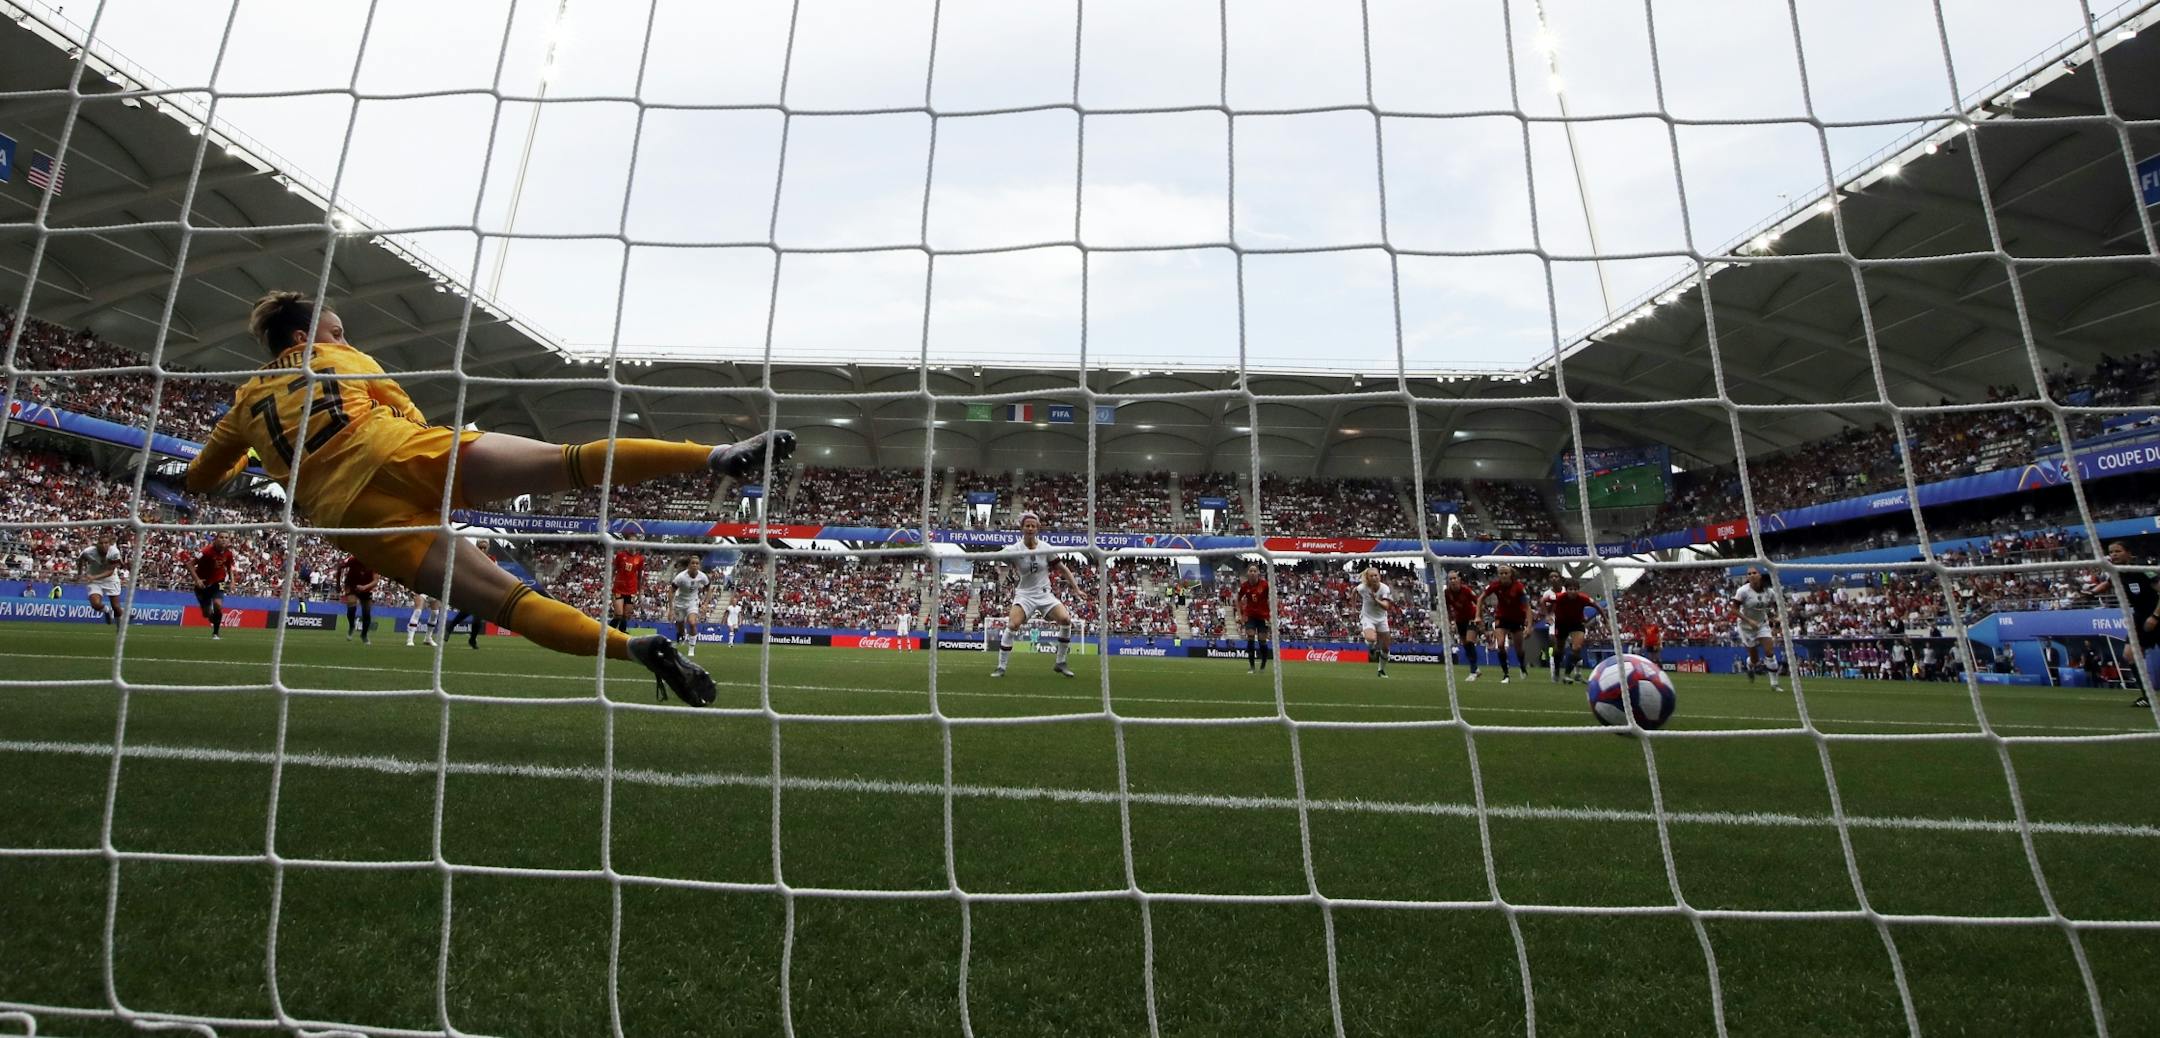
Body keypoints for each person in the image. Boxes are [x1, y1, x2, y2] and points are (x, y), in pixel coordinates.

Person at [184, 291, 793, 706]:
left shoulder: (243, 404)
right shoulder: (338, 357)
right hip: (401, 453)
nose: (344, 336)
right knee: (568, 461)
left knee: (514, 604)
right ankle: (713, 456)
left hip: (352, 517)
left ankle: (631, 648)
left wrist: (249, 453)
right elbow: (403, 407)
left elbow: (201, 481)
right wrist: (432, 454)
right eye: (336, 329)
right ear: (305, 336)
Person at [988, 512, 1085, 679]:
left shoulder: (1045, 548)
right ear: (1022, 528)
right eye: (1027, 525)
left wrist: (1076, 588)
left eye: (1033, 526)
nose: (1030, 528)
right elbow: (993, 557)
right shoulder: (1014, 549)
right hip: (1025, 595)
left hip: (1044, 593)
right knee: (1013, 625)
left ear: (1038, 528)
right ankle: (1001, 667)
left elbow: (1063, 569)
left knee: (1065, 620)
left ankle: (1060, 662)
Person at [2107, 541, 2156, 708]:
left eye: (2118, 551)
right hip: (2140, 616)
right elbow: (2107, 584)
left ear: (2128, 553)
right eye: (2111, 552)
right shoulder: (2116, 571)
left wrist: (2155, 617)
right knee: (2130, 655)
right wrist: (2089, 592)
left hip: (2156, 614)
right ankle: (2148, 697)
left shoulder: (2142, 568)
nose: (2114, 555)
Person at [1479, 565, 1532, 683]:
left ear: (1510, 574)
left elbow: (1527, 607)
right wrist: (1478, 615)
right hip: (1501, 618)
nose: (1503, 575)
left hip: (1517, 618)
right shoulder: (1495, 585)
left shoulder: (1518, 587)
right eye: (1501, 573)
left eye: (1506, 573)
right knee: (1500, 644)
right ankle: (1506, 674)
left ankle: (1522, 666)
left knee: (1519, 649)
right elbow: (1480, 598)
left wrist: (1529, 626)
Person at [1733, 567, 1781, 691]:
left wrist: (1776, 617)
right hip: (1746, 627)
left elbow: (1776, 605)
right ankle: (1750, 665)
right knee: (1755, 659)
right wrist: (1749, 621)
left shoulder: (1769, 592)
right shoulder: (1742, 591)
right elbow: (1734, 609)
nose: (1752, 575)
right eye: (1749, 574)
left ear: (1759, 575)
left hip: (1761, 624)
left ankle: (1774, 684)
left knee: (1769, 652)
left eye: (1754, 573)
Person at [1550, 579, 1598, 684]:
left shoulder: (1583, 598)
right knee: (1559, 649)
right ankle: (1557, 670)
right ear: (1566, 590)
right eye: (1570, 589)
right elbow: (1543, 601)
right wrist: (1547, 615)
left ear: (1578, 590)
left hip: (1577, 624)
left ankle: (1568, 674)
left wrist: (1606, 620)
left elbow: (1597, 606)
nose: (1573, 591)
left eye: (1575, 589)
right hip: (1562, 624)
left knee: (1577, 648)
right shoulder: (1559, 597)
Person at [193, 533, 236, 640]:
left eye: (226, 538)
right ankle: (214, 618)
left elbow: (229, 568)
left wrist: (232, 581)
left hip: (219, 582)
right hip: (203, 584)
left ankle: (216, 633)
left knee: (218, 605)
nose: (224, 540)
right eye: (221, 537)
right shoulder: (206, 551)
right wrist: (197, 580)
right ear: (216, 539)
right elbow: (190, 564)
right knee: (206, 614)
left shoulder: (228, 554)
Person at [1356, 566, 1397, 678]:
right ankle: (1371, 646)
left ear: (1379, 576)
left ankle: (1381, 670)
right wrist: (1353, 608)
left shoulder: (1385, 589)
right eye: (1372, 576)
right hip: (1368, 617)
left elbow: (1386, 606)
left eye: (1376, 575)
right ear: (1368, 578)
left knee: (1386, 648)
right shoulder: (1362, 587)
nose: (1374, 578)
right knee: (1371, 639)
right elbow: (1354, 591)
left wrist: (1376, 599)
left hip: (1381, 619)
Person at [77, 532, 124, 626]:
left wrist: (93, 577)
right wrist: (79, 574)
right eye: (101, 543)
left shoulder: (114, 552)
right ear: (97, 544)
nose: (103, 545)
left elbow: (110, 571)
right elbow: (80, 560)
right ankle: (107, 610)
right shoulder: (88, 552)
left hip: (110, 578)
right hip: (94, 578)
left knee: (116, 607)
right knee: (95, 604)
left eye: (106, 543)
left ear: (109, 544)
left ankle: (120, 626)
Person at [1234, 562, 1273, 673]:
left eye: (1254, 571)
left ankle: (1263, 666)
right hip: (1250, 615)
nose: (1252, 573)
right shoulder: (1245, 586)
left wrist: (1272, 614)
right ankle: (1251, 667)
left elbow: (1271, 598)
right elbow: (1238, 599)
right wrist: (1240, 614)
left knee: (1262, 641)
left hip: (1263, 616)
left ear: (1258, 573)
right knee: (1250, 637)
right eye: (1250, 571)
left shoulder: (1264, 585)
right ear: (1247, 573)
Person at [1442, 570, 1480, 681]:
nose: (1453, 581)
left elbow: (1478, 602)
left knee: (1469, 641)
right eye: (1450, 579)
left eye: (1454, 578)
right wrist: (1451, 621)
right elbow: (1447, 608)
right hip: (1460, 620)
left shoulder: (1466, 590)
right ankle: (1476, 668)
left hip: (1471, 617)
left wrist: (1479, 616)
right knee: (1466, 645)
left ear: (1459, 579)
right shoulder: (1447, 593)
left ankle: (1473, 671)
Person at [670, 556, 710, 657]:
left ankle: (691, 649)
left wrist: (705, 604)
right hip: (679, 602)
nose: (695, 565)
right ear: (688, 565)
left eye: (697, 563)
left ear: (699, 565)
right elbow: (671, 591)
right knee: (680, 624)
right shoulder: (680, 577)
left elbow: (709, 589)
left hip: (692, 601)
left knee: (692, 623)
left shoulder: (702, 576)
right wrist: (670, 609)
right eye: (693, 563)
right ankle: (682, 634)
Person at [336, 553, 378, 643]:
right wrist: (338, 584)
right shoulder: (353, 559)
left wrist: (364, 587)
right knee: (352, 604)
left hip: (366, 588)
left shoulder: (374, 562)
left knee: (366, 612)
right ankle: (352, 626)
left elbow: (375, 581)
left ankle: (364, 635)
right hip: (352, 585)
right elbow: (339, 567)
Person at [609, 548, 647, 634]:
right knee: (618, 614)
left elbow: (639, 576)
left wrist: (639, 591)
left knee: (625, 615)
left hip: (631, 590)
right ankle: (608, 632)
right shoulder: (620, 555)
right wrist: (609, 582)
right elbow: (613, 570)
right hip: (619, 589)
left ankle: (622, 633)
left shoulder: (639, 559)